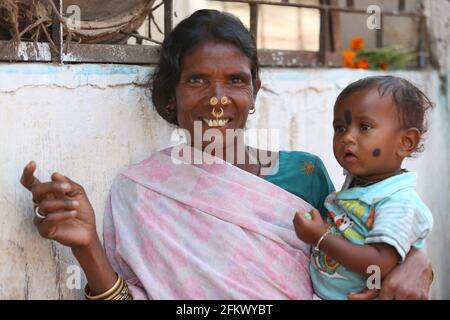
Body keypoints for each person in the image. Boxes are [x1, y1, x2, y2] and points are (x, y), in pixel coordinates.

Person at [20, 10, 433, 300]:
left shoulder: (304, 173)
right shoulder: (139, 192)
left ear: (253, 90)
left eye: (235, 80)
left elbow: (362, 245)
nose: (218, 99)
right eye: (197, 80)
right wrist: (87, 247)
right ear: (171, 95)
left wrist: (416, 260)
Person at [294, 76, 434, 299]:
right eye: (340, 128)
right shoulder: (363, 182)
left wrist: (320, 238)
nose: (347, 137)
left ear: (405, 142)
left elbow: (378, 263)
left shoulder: (398, 202)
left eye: (365, 127)